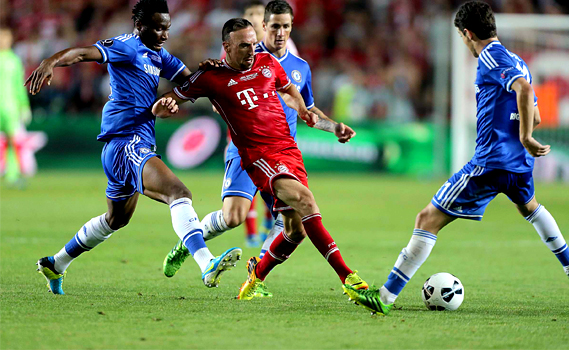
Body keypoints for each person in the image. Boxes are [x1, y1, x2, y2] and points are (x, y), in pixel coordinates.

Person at [343, 0, 569, 315]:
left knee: (426, 219)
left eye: (463, 38)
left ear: (467, 33)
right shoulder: (519, 59)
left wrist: (525, 136)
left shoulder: (491, 55)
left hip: (490, 162)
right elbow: (537, 111)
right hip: (519, 165)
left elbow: (525, 90)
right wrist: (525, 131)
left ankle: (385, 297)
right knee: (530, 207)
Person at [29, 0, 241, 295]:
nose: (164, 34)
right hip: (126, 140)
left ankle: (57, 262)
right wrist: (50, 61)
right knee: (179, 193)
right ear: (139, 26)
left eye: (166, 27)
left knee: (116, 220)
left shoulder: (159, 55)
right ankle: (206, 263)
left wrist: (209, 72)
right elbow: (82, 53)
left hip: (126, 146)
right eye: (157, 28)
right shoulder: (126, 46)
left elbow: (190, 83)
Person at [153, 17, 368, 301]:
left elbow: (290, 90)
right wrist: (166, 105)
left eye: (254, 43)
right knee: (245, 215)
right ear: (226, 47)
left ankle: (255, 278)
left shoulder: (269, 64)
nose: (252, 50)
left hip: (288, 151)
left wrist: (306, 113)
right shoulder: (210, 77)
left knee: (296, 229)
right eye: (244, 45)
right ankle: (348, 277)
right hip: (257, 155)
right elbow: (166, 103)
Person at [219, 0, 299, 247]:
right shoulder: (234, 51)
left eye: (257, 14)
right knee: (236, 211)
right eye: (250, 15)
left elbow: (293, 87)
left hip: (277, 141)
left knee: (288, 212)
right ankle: (250, 231)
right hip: (245, 138)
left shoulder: (288, 50)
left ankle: (259, 264)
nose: (254, 18)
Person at [0, 27, 31, 187]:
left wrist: (24, 105)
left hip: (10, 106)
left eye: (6, 38)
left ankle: (12, 174)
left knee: (12, 141)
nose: (3, 41)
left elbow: (20, 86)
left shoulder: (14, 60)